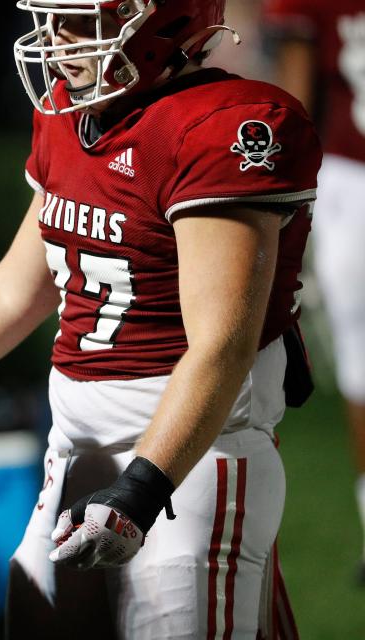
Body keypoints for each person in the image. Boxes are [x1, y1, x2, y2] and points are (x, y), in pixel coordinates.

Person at [0, 1, 320, 637]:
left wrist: (143, 490)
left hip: (192, 459)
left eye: (80, 17)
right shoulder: (71, 114)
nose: (55, 37)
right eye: (54, 14)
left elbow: (222, 345)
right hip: (72, 449)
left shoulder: (224, 127)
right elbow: (17, 291)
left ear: (164, 19)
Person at [263, 0, 365, 586]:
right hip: (351, 173)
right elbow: (296, 94)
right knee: (358, 354)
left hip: (349, 176)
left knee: (359, 353)